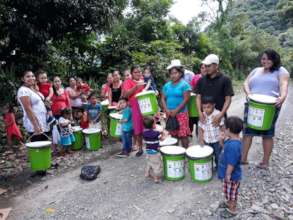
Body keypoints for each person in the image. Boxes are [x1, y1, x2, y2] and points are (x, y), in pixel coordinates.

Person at [242, 49, 290, 169]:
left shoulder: (281, 71)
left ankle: (265, 162)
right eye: (263, 58)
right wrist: (248, 93)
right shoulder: (256, 70)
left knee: (267, 134)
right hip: (253, 104)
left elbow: (284, 85)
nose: (265, 61)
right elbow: (245, 82)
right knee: (247, 132)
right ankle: (243, 159)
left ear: (274, 59)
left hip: (270, 106)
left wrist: (283, 97)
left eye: (268, 58)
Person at [196, 54, 234, 127]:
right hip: (204, 117)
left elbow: (228, 99)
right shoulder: (201, 80)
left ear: (216, 66)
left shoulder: (225, 79)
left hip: (219, 116)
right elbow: (198, 97)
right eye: (206, 66)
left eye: (209, 66)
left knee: (221, 137)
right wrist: (199, 113)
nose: (206, 68)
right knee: (202, 136)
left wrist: (221, 114)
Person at [161, 59, 191, 148]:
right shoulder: (167, 85)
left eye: (175, 73)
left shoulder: (185, 85)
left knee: (183, 135)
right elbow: (162, 98)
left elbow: (186, 99)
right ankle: (176, 154)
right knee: (173, 134)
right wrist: (166, 110)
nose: (173, 75)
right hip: (169, 114)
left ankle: (186, 153)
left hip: (181, 114)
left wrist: (176, 110)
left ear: (180, 73)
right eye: (171, 73)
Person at [218, 116, 243, 218]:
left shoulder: (234, 145)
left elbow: (231, 163)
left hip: (232, 176)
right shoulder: (232, 140)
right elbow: (226, 151)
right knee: (229, 192)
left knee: (231, 193)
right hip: (230, 174)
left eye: (225, 128)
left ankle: (232, 210)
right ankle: (229, 203)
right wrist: (221, 142)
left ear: (228, 130)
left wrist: (228, 174)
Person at [17, 70, 49, 142]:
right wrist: (36, 126)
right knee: (38, 147)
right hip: (34, 125)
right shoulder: (23, 90)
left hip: (42, 122)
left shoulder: (33, 89)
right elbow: (28, 109)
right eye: (28, 76)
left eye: (32, 76)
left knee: (44, 146)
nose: (31, 78)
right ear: (23, 79)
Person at [122, 65, 145, 157]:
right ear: (131, 74)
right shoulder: (128, 82)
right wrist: (136, 87)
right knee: (138, 129)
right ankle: (140, 148)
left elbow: (147, 90)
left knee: (148, 127)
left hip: (145, 107)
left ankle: (152, 145)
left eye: (139, 71)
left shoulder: (143, 80)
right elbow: (126, 94)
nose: (138, 73)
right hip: (135, 108)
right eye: (135, 72)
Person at [198, 96, 224, 169]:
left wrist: (222, 139)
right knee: (208, 155)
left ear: (214, 105)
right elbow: (200, 128)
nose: (206, 109)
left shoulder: (218, 114)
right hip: (207, 140)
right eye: (204, 107)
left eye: (208, 107)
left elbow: (222, 127)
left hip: (217, 140)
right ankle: (209, 169)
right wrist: (201, 140)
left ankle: (220, 169)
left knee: (218, 155)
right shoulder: (202, 115)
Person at [143, 116, 163, 183]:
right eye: (155, 123)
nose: (156, 124)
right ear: (152, 125)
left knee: (150, 162)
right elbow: (162, 138)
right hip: (155, 152)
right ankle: (156, 178)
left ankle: (147, 173)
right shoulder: (156, 133)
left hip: (148, 151)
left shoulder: (144, 133)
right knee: (157, 165)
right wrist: (163, 133)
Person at [189, 63, 207, 136]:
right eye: (202, 68)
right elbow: (191, 88)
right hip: (194, 103)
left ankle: (200, 138)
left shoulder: (211, 79)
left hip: (206, 105)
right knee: (193, 121)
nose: (204, 69)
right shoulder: (196, 77)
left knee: (201, 124)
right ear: (200, 69)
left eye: (205, 68)